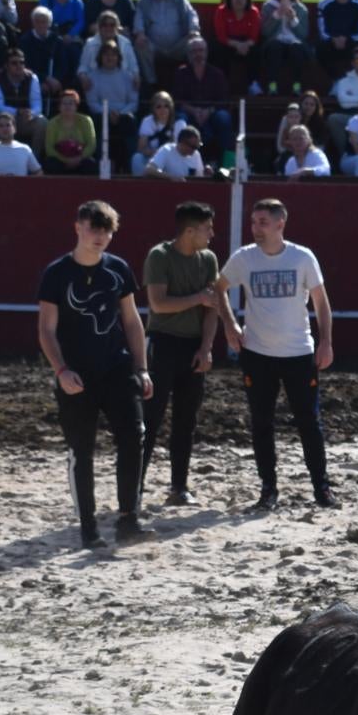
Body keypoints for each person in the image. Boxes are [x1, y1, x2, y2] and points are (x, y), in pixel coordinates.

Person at [37, 201, 155, 548]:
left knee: (134, 436)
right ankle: (88, 527)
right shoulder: (57, 273)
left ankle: (128, 517)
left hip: (116, 368)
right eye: (94, 228)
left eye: (106, 230)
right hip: (77, 374)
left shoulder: (118, 269)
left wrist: (142, 368)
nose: (100, 236)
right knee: (81, 450)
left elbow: (132, 321)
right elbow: (46, 329)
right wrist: (61, 370)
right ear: (78, 228)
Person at [219, 199, 336, 511]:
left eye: (262, 222)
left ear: (280, 223)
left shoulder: (302, 257)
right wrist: (230, 324)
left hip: (299, 352)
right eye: (254, 222)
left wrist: (326, 342)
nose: (256, 228)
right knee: (261, 421)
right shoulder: (244, 258)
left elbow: (321, 303)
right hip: (257, 353)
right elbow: (217, 288)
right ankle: (268, 489)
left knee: (308, 421)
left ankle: (321, 487)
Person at [141, 200, 236, 506]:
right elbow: (158, 304)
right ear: (190, 230)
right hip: (162, 342)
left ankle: (178, 487)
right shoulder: (159, 255)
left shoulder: (207, 259)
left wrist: (207, 348)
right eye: (207, 228)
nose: (212, 234)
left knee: (186, 420)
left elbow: (213, 308)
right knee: (150, 418)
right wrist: (198, 298)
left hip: (192, 345)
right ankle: (135, 486)